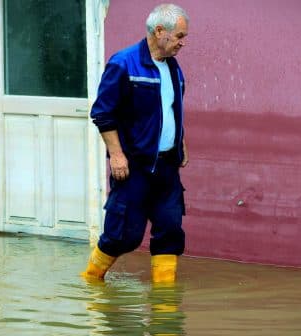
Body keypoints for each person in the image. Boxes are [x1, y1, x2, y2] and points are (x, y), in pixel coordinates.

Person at [82, 4, 189, 283]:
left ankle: (165, 313)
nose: (182, 42)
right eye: (179, 36)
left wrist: (181, 141)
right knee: (123, 236)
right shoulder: (123, 63)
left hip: (167, 166)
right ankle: (91, 282)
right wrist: (116, 155)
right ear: (159, 31)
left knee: (170, 231)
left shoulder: (174, 69)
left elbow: (171, 109)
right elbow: (102, 113)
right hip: (133, 167)